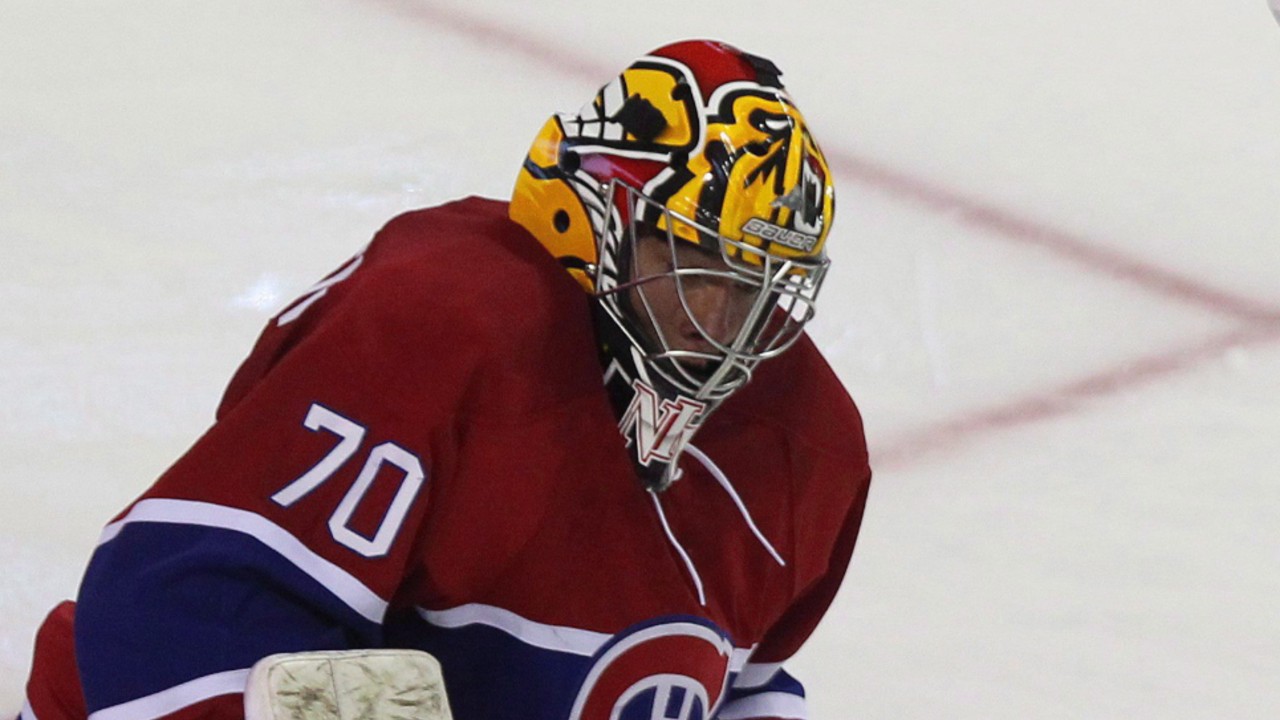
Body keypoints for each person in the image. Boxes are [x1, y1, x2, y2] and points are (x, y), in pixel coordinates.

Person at [20, 39, 871, 720]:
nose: (720, 320)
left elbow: (737, 687)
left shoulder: (807, 447)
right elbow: (175, 610)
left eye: (757, 280)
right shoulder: (440, 326)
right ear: (598, 211)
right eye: (691, 259)